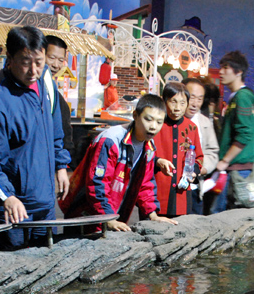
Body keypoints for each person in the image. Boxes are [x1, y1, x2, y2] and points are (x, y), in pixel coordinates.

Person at [0, 26, 71, 249]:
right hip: (14, 207)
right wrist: (6, 196)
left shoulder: (44, 81)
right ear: (10, 58)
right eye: (26, 62)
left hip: (45, 203)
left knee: (48, 260)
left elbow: (55, 128)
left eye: (39, 62)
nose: (33, 71)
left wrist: (61, 165)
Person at [61, 94, 177, 232]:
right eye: (148, 119)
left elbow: (145, 183)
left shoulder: (149, 146)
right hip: (85, 215)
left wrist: (153, 215)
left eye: (159, 122)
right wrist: (107, 218)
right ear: (135, 115)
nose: (153, 127)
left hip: (112, 215)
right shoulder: (110, 140)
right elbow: (97, 183)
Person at [212, 51, 254, 212]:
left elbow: (246, 133)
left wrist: (225, 160)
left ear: (239, 72)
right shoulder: (237, 97)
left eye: (226, 68)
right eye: (221, 67)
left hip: (237, 169)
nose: (221, 72)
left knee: (222, 214)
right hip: (237, 166)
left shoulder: (242, 97)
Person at [153, 82, 204, 217]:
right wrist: (157, 161)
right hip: (156, 193)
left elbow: (199, 157)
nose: (177, 108)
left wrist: (194, 171)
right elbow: (143, 153)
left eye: (182, 103)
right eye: (173, 102)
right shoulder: (155, 125)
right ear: (164, 101)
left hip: (182, 196)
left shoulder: (191, 128)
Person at [185, 77, 218, 214]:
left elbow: (212, 152)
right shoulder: (166, 120)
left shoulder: (205, 123)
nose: (195, 104)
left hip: (194, 186)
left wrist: (201, 169)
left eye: (200, 99)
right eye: (192, 98)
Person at [44, 35, 75, 164]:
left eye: (60, 60)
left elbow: (64, 136)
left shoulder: (55, 95)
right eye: (51, 58)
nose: (55, 65)